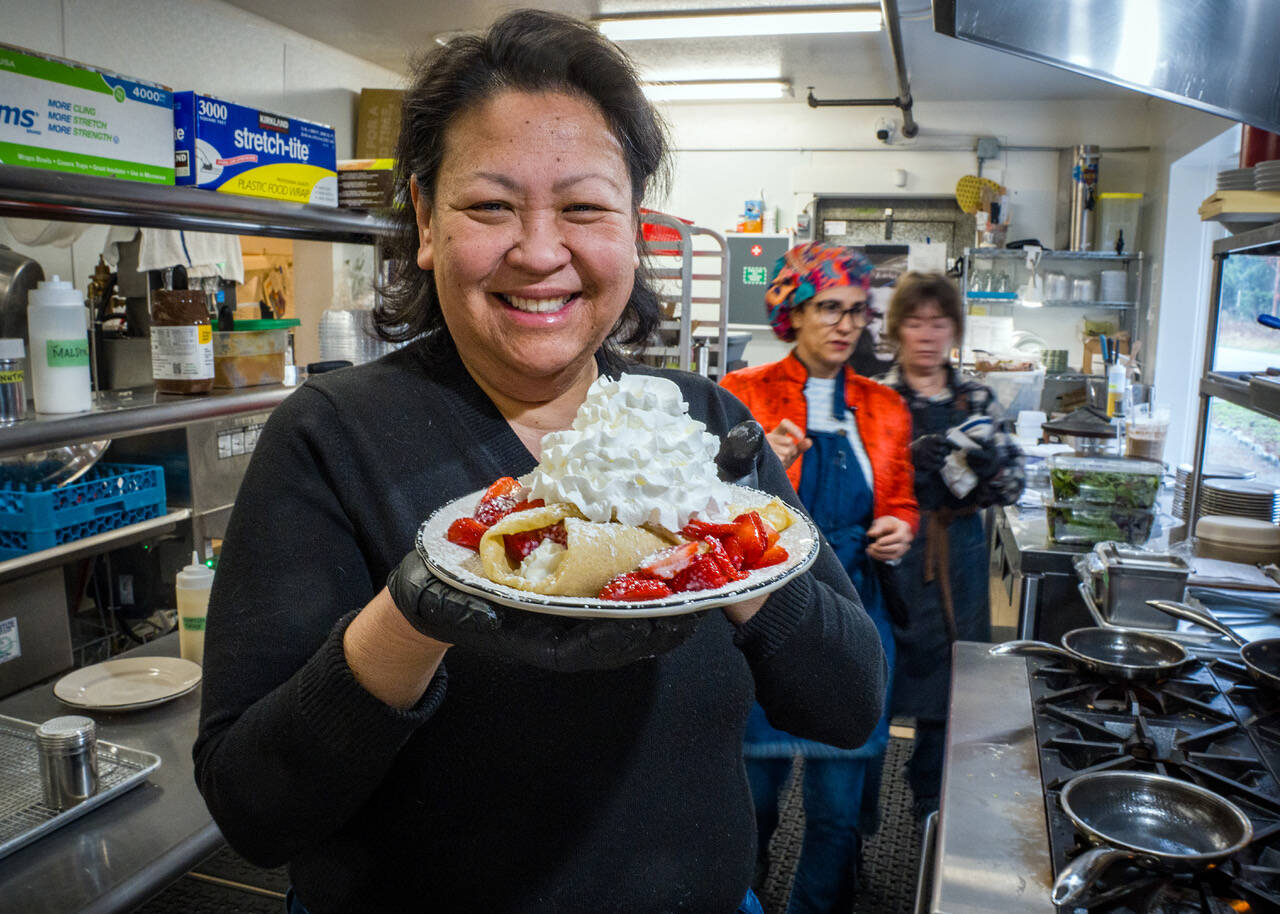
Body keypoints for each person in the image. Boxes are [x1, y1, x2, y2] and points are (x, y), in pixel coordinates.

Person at [193, 11, 887, 914]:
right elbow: (255, 809)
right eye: (489, 205)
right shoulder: (332, 437)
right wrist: (414, 614)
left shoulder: (703, 424)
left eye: (585, 207)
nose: (541, 251)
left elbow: (848, 703)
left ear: (633, 230)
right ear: (426, 220)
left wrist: (716, 539)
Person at [719, 243, 917, 914]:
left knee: (837, 811)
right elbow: (704, 507)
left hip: (859, 609)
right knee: (754, 800)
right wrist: (749, 467)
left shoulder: (885, 405)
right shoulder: (741, 394)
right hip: (771, 616)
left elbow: (900, 496)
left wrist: (900, 527)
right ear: (793, 313)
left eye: (857, 312)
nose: (844, 324)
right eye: (828, 308)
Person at [876, 271, 1024, 821]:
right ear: (898, 331)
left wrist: (988, 469)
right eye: (915, 322)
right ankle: (859, 816)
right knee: (878, 675)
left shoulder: (976, 397)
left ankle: (930, 803)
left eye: (938, 322)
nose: (927, 334)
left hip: (956, 553)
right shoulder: (877, 397)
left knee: (951, 679)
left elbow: (1014, 484)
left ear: (953, 330)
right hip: (890, 554)